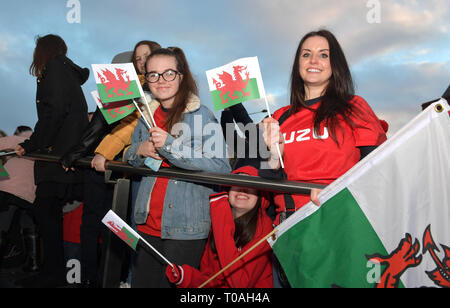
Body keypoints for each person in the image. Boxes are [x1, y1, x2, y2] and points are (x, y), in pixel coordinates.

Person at [261, 29, 387, 287]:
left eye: (323, 55)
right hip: (293, 227)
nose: (313, 61)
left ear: (335, 64)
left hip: (342, 222)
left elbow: (375, 168)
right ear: (298, 65)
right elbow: (269, 178)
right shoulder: (279, 117)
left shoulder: (354, 107)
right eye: (306, 54)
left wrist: (335, 192)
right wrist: (274, 155)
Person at [125, 47, 231, 288]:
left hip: (186, 227)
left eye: (168, 73)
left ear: (181, 76)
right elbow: (130, 156)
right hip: (145, 223)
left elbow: (221, 167)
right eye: (153, 74)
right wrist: (139, 151)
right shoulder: (146, 117)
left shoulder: (202, 115)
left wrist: (171, 146)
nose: (160, 81)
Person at [15, 34, 90, 287]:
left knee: (46, 215)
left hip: (56, 156)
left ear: (43, 51)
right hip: (62, 155)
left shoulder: (56, 68)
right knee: (49, 216)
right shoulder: (66, 73)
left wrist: (31, 144)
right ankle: (53, 272)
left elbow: (54, 112)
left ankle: (52, 274)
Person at [165, 162, 273, 288]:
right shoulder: (220, 220)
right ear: (229, 191)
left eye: (251, 185)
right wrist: (186, 276)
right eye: (237, 183)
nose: (243, 189)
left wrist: (221, 221)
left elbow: (240, 284)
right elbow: (211, 278)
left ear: (260, 197)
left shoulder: (265, 228)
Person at [0, 126, 39, 272]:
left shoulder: (25, 139)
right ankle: (33, 263)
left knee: (2, 226)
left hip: (8, 188)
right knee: (28, 225)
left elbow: (4, 143)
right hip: (30, 193)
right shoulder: (45, 145)